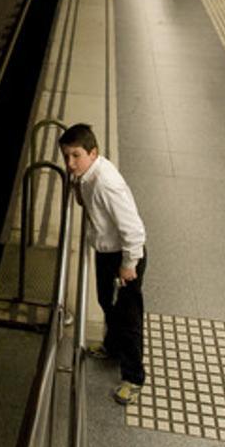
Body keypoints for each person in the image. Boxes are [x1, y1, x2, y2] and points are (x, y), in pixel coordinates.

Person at [58, 123, 147, 406]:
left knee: (128, 316)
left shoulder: (107, 184)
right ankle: (112, 347)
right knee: (106, 302)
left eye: (76, 156)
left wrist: (128, 264)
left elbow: (134, 229)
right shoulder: (86, 174)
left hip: (124, 256)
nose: (70, 164)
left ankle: (133, 378)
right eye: (66, 156)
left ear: (93, 153)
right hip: (106, 251)